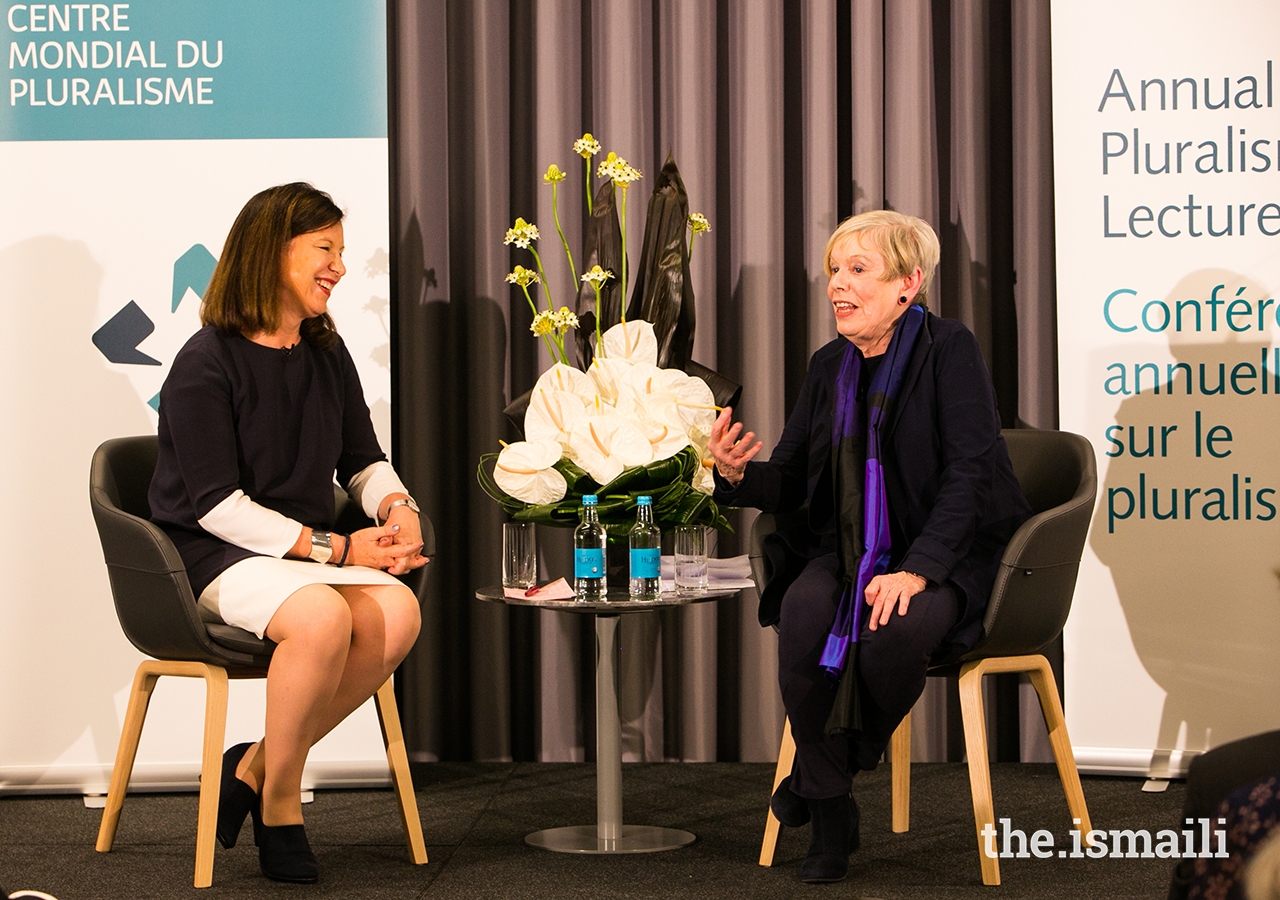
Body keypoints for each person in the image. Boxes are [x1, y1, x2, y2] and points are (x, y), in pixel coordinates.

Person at [709, 210, 1030, 884]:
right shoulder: (829, 366)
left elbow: (971, 472)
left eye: (858, 270)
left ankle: (819, 778)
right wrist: (736, 475)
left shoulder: (951, 350)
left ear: (908, 284)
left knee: (890, 632)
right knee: (801, 616)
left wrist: (917, 570)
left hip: (947, 551)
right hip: (851, 546)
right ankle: (832, 815)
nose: (837, 286)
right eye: (834, 271)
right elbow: (793, 476)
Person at [148, 183, 428, 883]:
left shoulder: (325, 352)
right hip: (211, 556)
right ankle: (281, 804)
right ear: (272, 253)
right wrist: (339, 548)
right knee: (323, 619)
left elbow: (361, 459)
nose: (338, 265)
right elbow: (215, 506)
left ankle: (251, 764)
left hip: (294, 556)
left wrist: (398, 509)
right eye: (324, 250)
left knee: (399, 612)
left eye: (341, 249)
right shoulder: (204, 361)